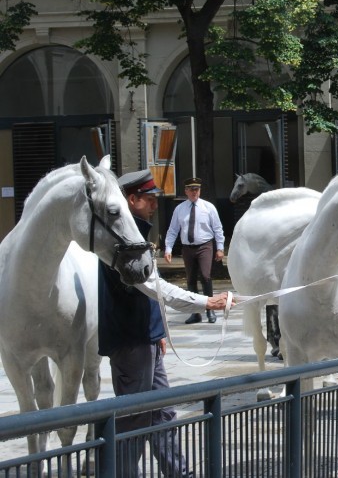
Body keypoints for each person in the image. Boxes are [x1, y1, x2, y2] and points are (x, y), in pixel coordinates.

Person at [98, 169, 231, 478]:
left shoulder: (134, 234)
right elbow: (157, 288)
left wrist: (157, 330)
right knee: (135, 418)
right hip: (131, 342)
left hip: (144, 338)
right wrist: (206, 302)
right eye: (150, 199)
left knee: (162, 412)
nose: (155, 204)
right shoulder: (120, 242)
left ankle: (178, 473)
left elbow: (145, 293)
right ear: (132, 200)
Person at [164, 177, 226, 324]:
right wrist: (168, 249)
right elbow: (173, 230)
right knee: (191, 279)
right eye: (191, 190)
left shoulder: (208, 207)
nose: (194, 192)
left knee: (205, 276)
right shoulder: (180, 209)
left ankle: (210, 310)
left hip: (205, 245)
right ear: (186, 191)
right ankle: (195, 312)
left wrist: (220, 248)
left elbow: (218, 228)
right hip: (187, 248)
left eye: (197, 189)